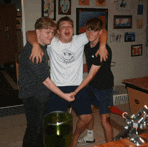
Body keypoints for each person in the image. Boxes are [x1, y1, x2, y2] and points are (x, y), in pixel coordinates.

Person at [26, 16, 108, 147]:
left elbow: (102, 31)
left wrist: (103, 45)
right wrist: (35, 44)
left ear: (73, 29)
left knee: (87, 117)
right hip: (57, 87)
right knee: (54, 122)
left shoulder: (80, 39)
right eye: (63, 26)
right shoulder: (52, 41)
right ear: (58, 31)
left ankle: (74, 138)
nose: (67, 28)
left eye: (69, 26)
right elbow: (30, 33)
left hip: (77, 86)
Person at [18, 17, 75, 147]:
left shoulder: (40, 46)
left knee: (40, 128)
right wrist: (64, 95)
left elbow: (30, 33)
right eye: (47, 32)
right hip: (33, 96)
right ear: (38, 32)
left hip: (40, 95)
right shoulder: (34, 53)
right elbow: (46, 81)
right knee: (34, 129)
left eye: (52, 32)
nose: (51, 36)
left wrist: (36, 44)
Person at [70, 17, 114, 146]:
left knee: (105, 119)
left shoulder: (103, 51)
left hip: (104, 87)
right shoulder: (87, 44)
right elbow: (103, 31)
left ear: (99, 32)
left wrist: (76, 91)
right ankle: (90, 137)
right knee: (87, 113)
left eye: (94, 31)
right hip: (92, 86)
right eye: (88, 30)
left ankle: (110, 145)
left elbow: (90, 75)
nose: (90, 34)